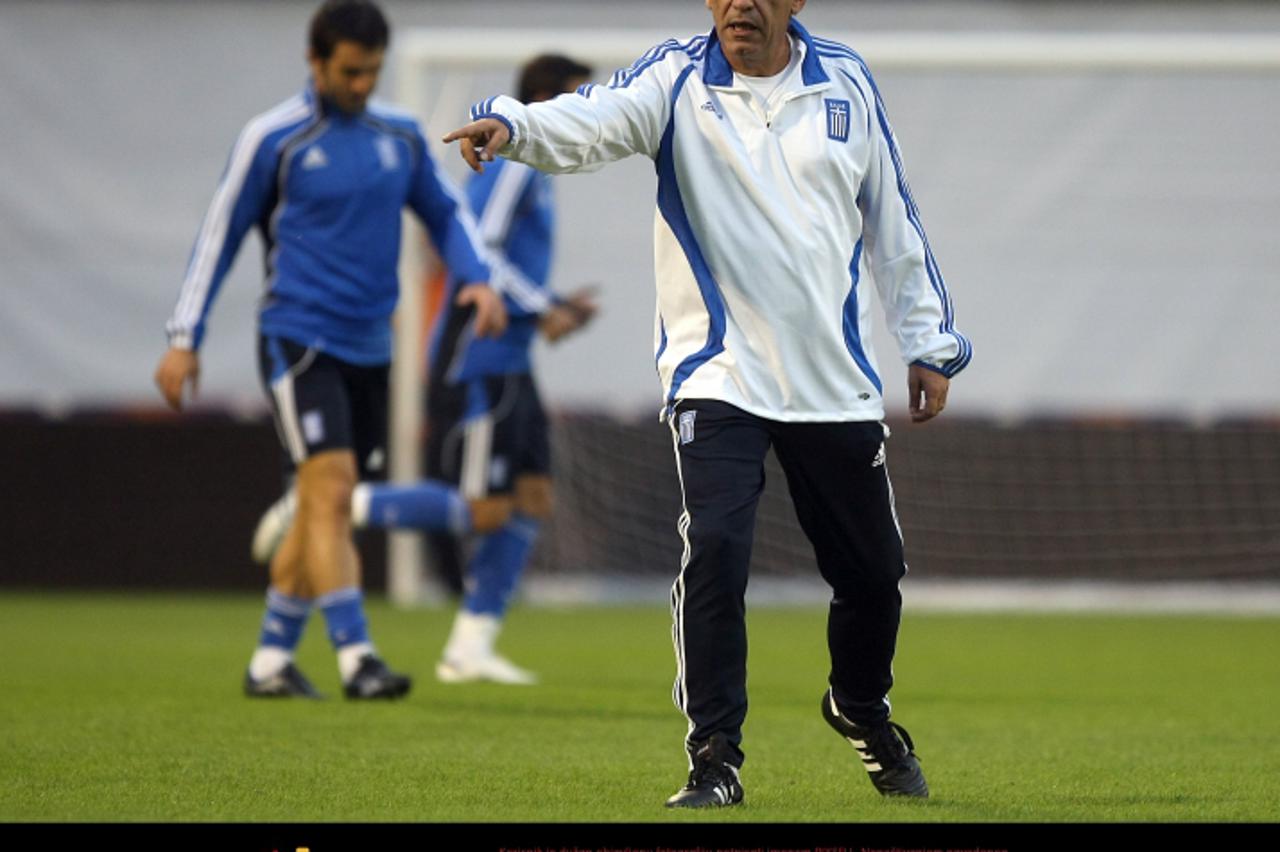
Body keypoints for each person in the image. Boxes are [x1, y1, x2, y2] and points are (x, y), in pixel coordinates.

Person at [443, 0, 970, 808]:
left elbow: (892, 220)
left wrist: (928, 342)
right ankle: (714, 759)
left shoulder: (848, 85)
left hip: (831, 379)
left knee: (873, 577)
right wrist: (511, 126)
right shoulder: (676, 78)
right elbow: (592, 120)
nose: (739, 7)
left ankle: (859, 708)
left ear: (794, 1)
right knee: (717, 548)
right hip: (716, 372)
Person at [154, 0, 506, 701]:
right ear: (315, 62)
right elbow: (219, 236)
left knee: (326, 507)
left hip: (373, 348)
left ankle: (270, 660)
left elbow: (445, 212)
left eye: (372, 71)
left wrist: (477, 280)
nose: (361, 85)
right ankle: (357, 657)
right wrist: (183, 338)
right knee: (332, 490)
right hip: (299, 340)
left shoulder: (399, 134)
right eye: (349, 71)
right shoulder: (274, 138)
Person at [247, 55, 600, 687]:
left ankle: (470, 644)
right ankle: (330, 501)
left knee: (533, 495)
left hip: (514, 356)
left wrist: (553, 307)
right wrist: (546, 305)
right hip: (481, 356)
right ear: (548, 100)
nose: (590, 109)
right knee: (484, 508)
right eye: (581, 97)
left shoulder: (541, 171)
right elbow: (479, 251)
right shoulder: (519, 165)